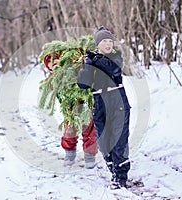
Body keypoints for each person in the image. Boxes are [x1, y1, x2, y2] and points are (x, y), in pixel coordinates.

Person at [77, 26, 131, 189]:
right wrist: (87, 64)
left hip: (117, 102)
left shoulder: (116, 56)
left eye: (110, 41)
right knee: (104, 142)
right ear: (98, 44)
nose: (108, 44)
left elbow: (113, 68)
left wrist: (94, 58)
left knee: (119, 141)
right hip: (99, 102)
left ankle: (120, 178)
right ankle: (113, 169)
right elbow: (83, 84)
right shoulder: (92, 60)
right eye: (104, 41)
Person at [42, 51, 98, 169]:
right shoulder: (53, 79)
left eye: (57, 63)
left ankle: (89, 156)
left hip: (84, 105)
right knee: (69, 132)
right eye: (52, 66)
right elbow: (47, 87)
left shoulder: (72, 72)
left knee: (89, 130)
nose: (55, 67)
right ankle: (69, 154)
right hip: (69, 110)